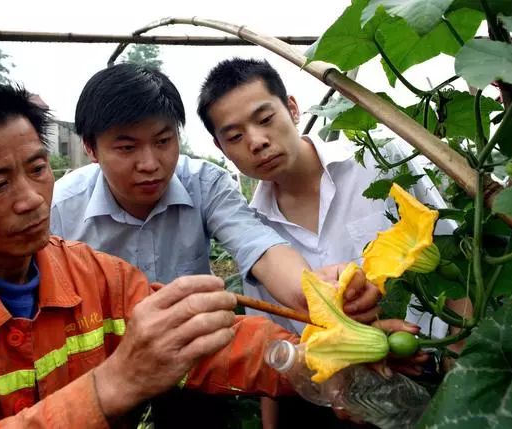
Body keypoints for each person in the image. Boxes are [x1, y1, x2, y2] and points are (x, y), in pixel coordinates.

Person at [0, 79, 301, 428]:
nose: (31, 200)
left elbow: (199, 340)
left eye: (38, 169)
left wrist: (320, 357)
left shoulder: (97, 277)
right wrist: (114, 383)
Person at [50, 63, 381, 427]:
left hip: (194, 362)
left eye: (163, 141)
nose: (150, 164)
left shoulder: (204, 184)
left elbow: (260, 247)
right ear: (91, 149)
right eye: (127, 148)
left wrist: (320, 295)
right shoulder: (62, 209)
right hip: (104, 366)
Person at [197, 57, 467, 428]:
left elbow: (455, 257)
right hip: (344, 401)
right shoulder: (254, 231)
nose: (257, 142)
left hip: (431, 373)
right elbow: (277, 345)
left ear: (292, 108)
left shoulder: (380, 161)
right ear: (220, 146)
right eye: (235, 136)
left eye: (264, 119)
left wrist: (458, 367)